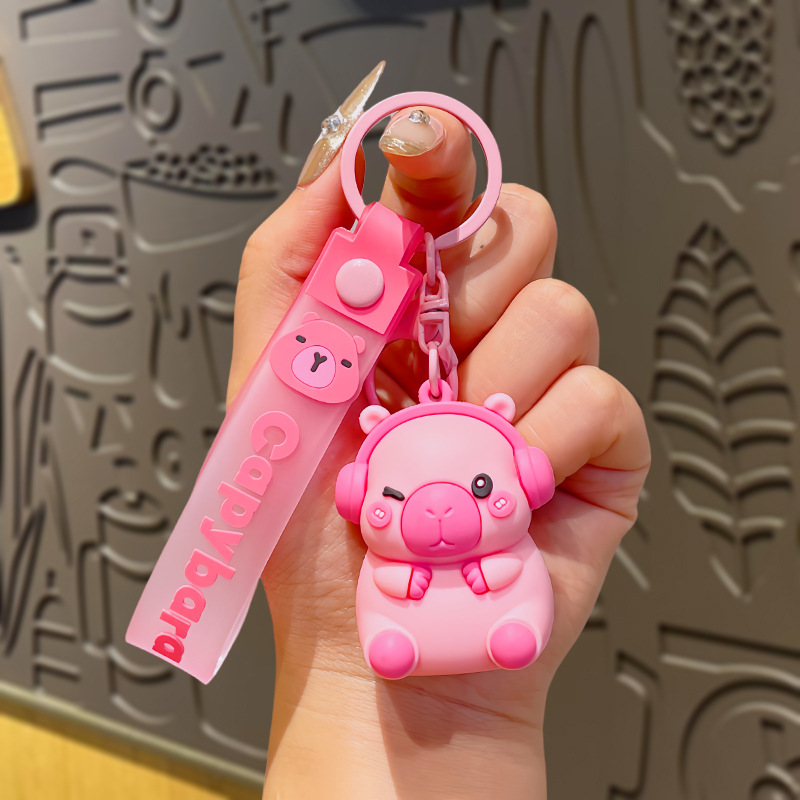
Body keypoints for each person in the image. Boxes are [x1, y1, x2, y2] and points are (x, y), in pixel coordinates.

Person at [227, 71, 650, 800]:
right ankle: (402, 650)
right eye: (397, 496)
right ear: (359, 496)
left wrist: (468, 732)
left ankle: (493, 641)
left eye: (481, 487)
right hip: (389, 636)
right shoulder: (383, 558)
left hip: (495, 625)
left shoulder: (498, 541)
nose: (442, 510)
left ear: (526, 477)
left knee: (507, 605)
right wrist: (341, 681)